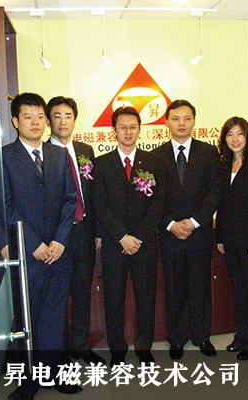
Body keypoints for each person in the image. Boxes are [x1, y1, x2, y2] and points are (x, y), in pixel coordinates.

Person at [0, 93, 81, 400]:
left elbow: (70, 201)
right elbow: (2, 206)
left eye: (40, 116)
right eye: (28, 117)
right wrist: (33, 243)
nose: (36, 122)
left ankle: (54, 375)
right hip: (26, 255)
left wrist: (59, 240)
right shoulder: (2, 158)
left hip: (57, 252)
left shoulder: (59, 155)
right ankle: (28, 383)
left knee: (54, 318)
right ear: (15, 122)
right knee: (27, 320)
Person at [94, 106, 165, 367]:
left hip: (144, 244)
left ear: (139, 130)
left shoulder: (153, 162)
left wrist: (139, 237)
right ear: (114, 130)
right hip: (115, 245)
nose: (128, 132)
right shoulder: (102, 164)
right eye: (122, 127)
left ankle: (144, 347)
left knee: (146, 298)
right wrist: (122, 236)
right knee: (113, 299)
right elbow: (99, 205)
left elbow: (159, 203)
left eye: (133, 127)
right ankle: (118, 350)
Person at [152, 99, 222, 360]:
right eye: (175, 118)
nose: (181, 123)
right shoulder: (155, 155)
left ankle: (202, 336)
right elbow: (153, 197)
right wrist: (171, 224)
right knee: (174, 288)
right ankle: (177, 338)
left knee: (201, 286)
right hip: (169, 235)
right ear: (166, 122)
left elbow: (215, 192)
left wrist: (195, 222)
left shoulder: (208, 152)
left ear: (194, 121)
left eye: (187, 118)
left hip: (199, 233)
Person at [46, 96, 105, 366]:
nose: (63, 121)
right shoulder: (42, 153)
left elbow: (93, 194)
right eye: (57, 116)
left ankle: (80, 345)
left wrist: (97, 231)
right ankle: (60, 351)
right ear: (49, 121)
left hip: (84, 232)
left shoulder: (85, 151)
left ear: (74, 120)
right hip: (56, 237)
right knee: (57, 297)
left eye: (67, 116)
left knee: (82, 293)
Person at [215, 116, 248, 361]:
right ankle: (242, 335)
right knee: (239, 290)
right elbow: (222, 205)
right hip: (230, 239)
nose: (235, 139)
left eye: (239, 133)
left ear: (247, 137)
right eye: (230, 134)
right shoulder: (223, 166)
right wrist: (220, 236)